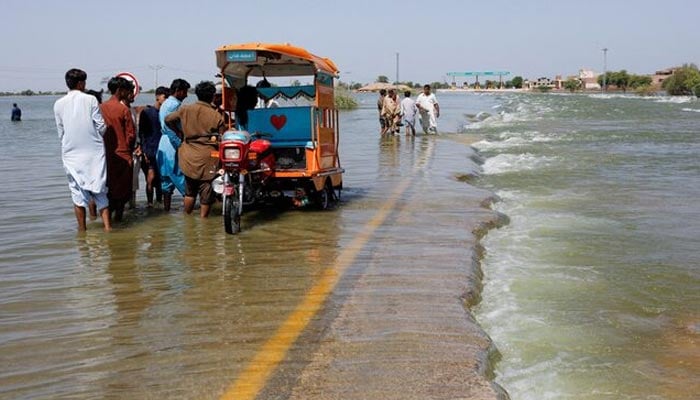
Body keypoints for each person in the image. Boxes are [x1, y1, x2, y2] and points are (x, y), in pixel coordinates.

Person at [53, 68, 111, 232]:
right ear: (80, 83)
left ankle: (82, 230)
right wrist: (96, 137)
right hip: (94, 153)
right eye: (84, 82)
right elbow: (101, 126)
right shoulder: (91, 99)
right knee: (100, 191)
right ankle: (107, 229)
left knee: (77, 194)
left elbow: (61, 132)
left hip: (70, 154)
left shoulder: (58, 104)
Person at [164, 81, 224, 218]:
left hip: (188, 154)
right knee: (206, 189)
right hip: (208, 156)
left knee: (189, 191)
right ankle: (204, 222)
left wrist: (178, 132)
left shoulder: (185, 109)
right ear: (213, 96)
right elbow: (222, 138)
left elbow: (168, 120)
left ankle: (188, 219)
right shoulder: (216, 116)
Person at [101, 77, 137, 222]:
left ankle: (107, 220)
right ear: (120, 91)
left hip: (105, 154)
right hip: (123, 154)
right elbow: (131, 135)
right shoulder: (123, 109)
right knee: (123, 192)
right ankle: (119, 220)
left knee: (108, 190)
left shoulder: (100, 107)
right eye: (127, 90)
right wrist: (130, 148)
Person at [157, 78, 190, 211]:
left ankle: (166, 211)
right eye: (185, 92)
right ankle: (189, 214)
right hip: (172, 144)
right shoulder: (175, 105)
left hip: (162, 144)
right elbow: (170, 128)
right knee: (182, 179)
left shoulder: (165, 103)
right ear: (178, 91)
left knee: (166, 181)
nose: (186, 95)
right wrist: (180, 145)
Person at [138, 86, 170, 207]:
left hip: (162, 149)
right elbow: (142, 133)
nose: (166, 100)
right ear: (157, 96)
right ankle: (150, 203)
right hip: (150, 149)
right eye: (164, 97)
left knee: (161, 179)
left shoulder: (166, 114)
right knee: (150, 178)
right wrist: (144, 150)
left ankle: (159, 202)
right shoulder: (147, 112)